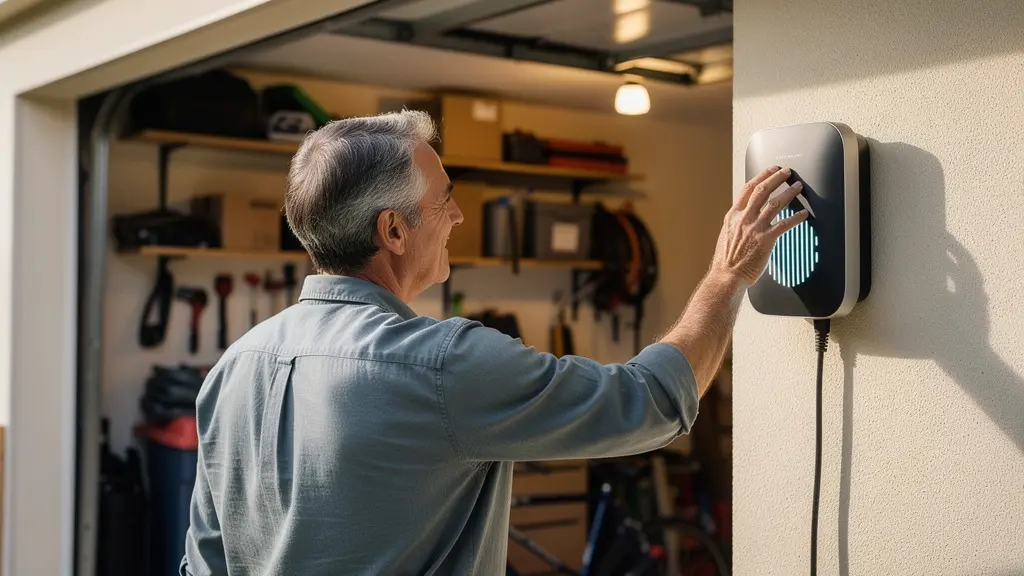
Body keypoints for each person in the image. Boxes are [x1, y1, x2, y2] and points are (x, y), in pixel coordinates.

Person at [179, 110, 807, 575]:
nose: (456, 216)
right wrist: (727, 277)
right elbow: (650, 403)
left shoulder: (233, 369)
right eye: (445, 200)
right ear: (393, 230)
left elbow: (201, 564)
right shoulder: (441, 366)